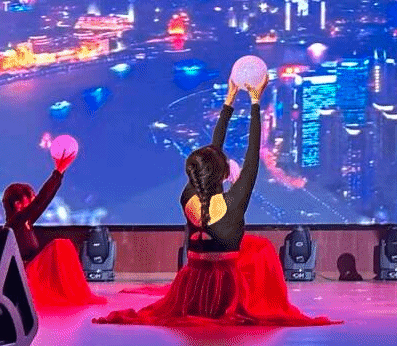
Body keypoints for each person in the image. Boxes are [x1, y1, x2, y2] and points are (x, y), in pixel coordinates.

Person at [96, 76, 337, 327]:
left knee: (256, 246)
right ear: (223, 173)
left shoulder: (188, 194)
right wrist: (255, 103)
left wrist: (229, 100)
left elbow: (214, 148)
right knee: (263, 249)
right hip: (226, 288)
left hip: (191, 283)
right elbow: (252, 152)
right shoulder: (235, 200)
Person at [3, 148, 105, 307]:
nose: (34, 202)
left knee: (63, 244)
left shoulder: (26, 221)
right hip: (26, 275)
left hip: (32, 270)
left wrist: (60, 173)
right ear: (18, 204)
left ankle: (77, 293)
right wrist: (56, 172)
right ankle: (72, 294)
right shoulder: (14, 223)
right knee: (59, 245)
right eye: (30, 199)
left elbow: (44, 201)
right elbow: (40, 201)